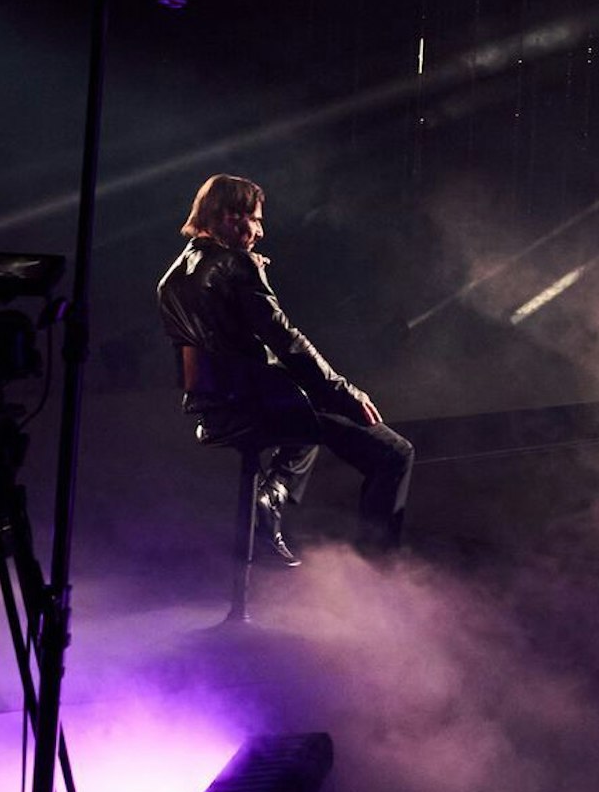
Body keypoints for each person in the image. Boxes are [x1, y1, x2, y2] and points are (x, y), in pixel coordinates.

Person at [158, 174, 413, 560]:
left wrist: (245, 269)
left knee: (308, 417)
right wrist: (345, 392)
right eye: (255, 220)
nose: (260, 231)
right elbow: (286, 340)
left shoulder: (172, 278)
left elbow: (207, 340)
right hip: (260, 403)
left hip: (212, 409)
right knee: (394, 453)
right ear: (229, 216)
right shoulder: (237, 263)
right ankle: (380, 571)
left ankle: (272, 494)